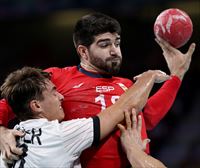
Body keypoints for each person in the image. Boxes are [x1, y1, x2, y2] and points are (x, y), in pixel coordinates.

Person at [0, 12, 195, 168]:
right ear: (83, 51)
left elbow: (147, 117)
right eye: (105, 44)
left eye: (117, 43)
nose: (114, 51)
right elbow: (11, 103)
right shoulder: (55, 79)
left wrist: (177, 75)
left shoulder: (127, 85)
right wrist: (1, 132)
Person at [0, 67, 169, 167]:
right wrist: (149, 76)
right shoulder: (60, 135)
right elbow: (124, 107)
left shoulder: (7, 145)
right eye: (53, 92)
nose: (61, 97)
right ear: (36, 106)